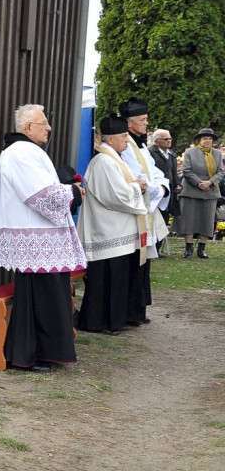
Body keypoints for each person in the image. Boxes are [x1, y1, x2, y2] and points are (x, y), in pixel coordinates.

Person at [0, 104, 86, 372]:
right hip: (37, 240)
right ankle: (32, 355)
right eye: (44, 123)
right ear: (28, 128)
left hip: (40, 241)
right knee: (41, 299)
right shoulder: (22, 153)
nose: (49, 127)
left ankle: (37, 353)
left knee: (44, 297)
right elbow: (42, 195)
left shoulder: (24, 151)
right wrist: (73, 193)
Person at [76, 116, 148, 334]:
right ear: (111, 139)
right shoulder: (104, 161)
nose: (127, 140)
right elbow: (116, 196)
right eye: (124, 136)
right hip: (106, 233)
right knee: (106, 282)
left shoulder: (114, 159)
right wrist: (138, 188)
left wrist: (135, 186)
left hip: (116, 232)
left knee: (116, 281)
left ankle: (113, 320)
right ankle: (99, 322)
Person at [118, 97, 169, 326]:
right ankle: (130, 312)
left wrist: (162, 186)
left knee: (144, 262)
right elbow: (135, 176)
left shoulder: (140, 145)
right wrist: (155, 186)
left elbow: (154, 173)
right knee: (134, 262)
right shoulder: (124, 145)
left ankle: (138, 310)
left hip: (147, 205)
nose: (146, 123)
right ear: (129, 124)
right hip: (134, 212)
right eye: (143, 119)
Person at [178, 128, 223, 259]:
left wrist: (210, 182)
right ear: (199, 140)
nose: (207, 141)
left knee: (207, 220)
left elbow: (221, 171)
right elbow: (186, 170)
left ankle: (202, 248)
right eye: (205, 138)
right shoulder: (190, 152)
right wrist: (199, 183)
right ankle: (188, 247)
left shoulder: (217, 154)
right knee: (189, 219)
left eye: (210, 139)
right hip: (191, 190)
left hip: (210, 191)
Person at [147, 129, 180, 255]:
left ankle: (158, 248)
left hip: (168, 194)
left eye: (170, 138)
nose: (169, 141)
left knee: (164, 221)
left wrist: (177, 184)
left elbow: (173, 172)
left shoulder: (171, 154)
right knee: (154, 221)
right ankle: (152, 247)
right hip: (156, 193)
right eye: (166, 139)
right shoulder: (150, 153)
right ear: (156, 141)